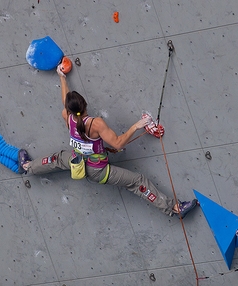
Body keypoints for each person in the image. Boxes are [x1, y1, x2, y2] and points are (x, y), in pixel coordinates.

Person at [18, 64, 198, 218]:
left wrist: (62, 78)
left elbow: (65, 102)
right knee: (137, 181)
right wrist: (136, 125)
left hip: (76, 161)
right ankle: (173, 208)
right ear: (85, 105)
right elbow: (118, 143)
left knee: (57, 159)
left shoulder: (67, 117)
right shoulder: (96, 124)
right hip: (98, 170)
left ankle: (28, 167)